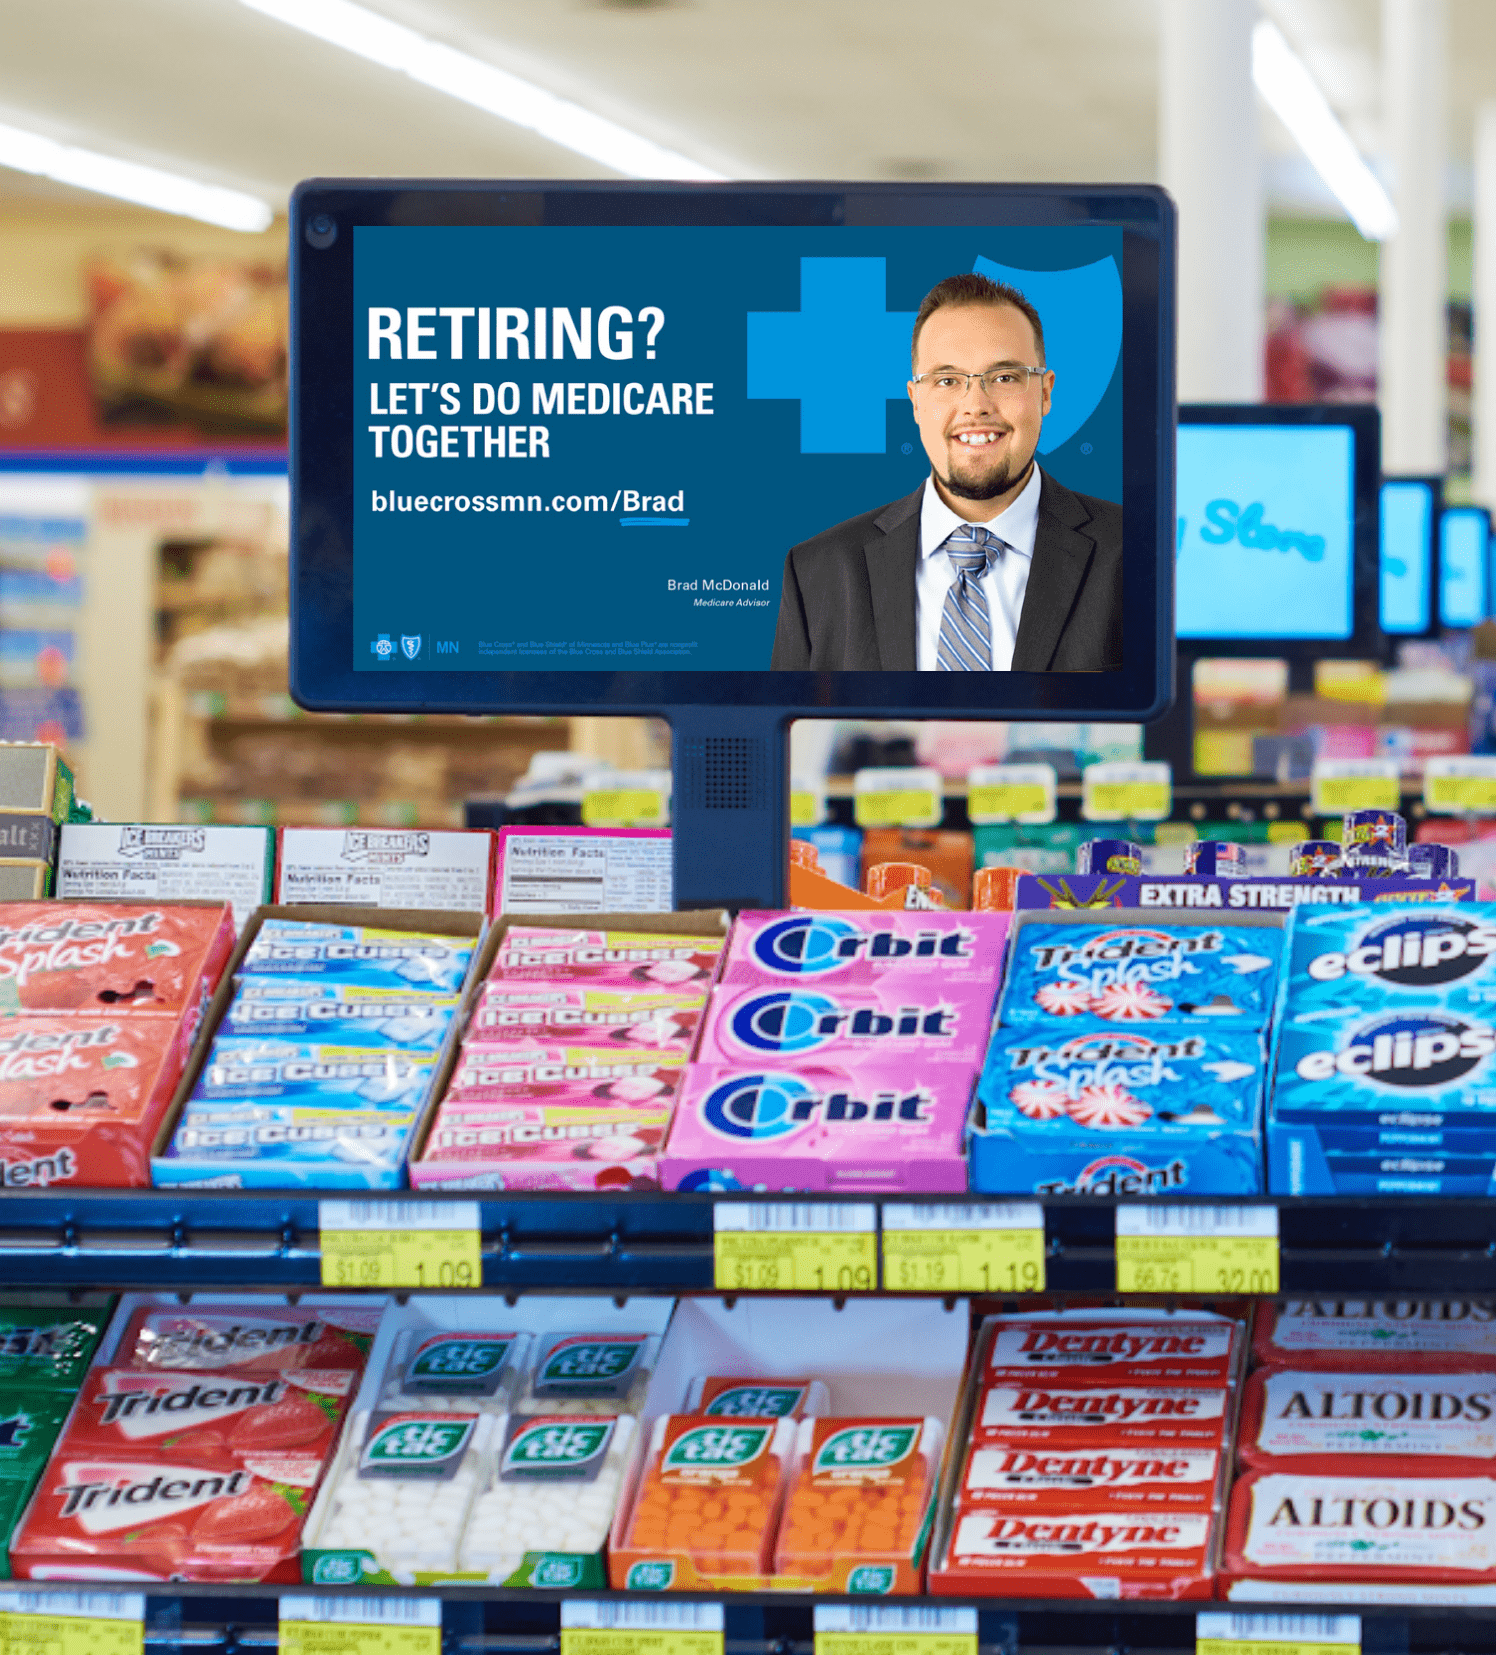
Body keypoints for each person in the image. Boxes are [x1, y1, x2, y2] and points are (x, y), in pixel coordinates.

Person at [769, 272, 1122, 672]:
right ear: (916, 401)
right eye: (948, 380)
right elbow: (790, 732)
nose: (976, 405)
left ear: (1044, 393)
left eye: (1004, 377)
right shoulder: (818, 571)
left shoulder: (1137, 552)